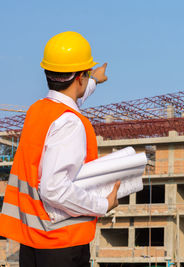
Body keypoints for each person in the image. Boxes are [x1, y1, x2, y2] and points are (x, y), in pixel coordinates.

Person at [0, 31, 120, 267]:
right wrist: (104, 204)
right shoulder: (70, 123)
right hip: (61, 244)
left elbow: (69, 98)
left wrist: (93, 80)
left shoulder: (39, 111)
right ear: (78, 78)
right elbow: (54, 189)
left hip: (35, 241)